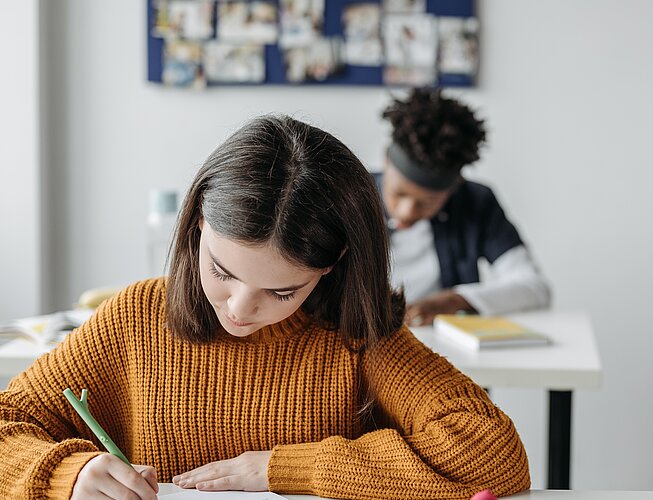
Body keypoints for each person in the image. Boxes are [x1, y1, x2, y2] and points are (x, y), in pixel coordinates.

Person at [0, 116, 530, 499]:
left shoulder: (356, 332)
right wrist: (66, 473)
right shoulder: (138, 316)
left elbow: (494, 455)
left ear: (331, 265)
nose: (240, 309)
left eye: (282, 293)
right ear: (198, 227)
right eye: (222, 273)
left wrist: (285, 468)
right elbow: (8, 424)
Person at [377, 88, 551, 326]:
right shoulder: (347, 196)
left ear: (454, 187)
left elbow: (535, 288)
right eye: (399, 193)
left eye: (427, 202)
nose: (407, 211)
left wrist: (453, 301)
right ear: (386, 161)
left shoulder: (476, 202)